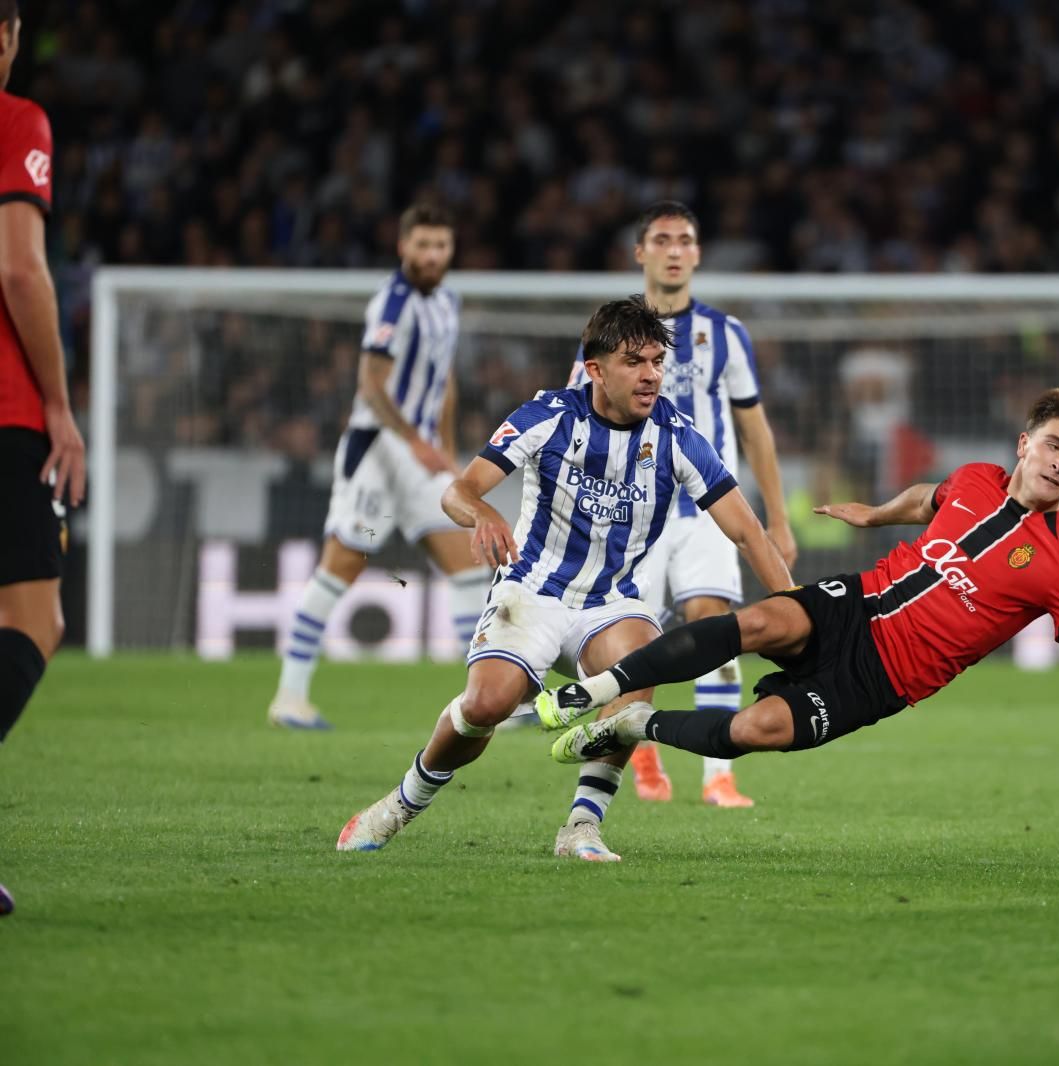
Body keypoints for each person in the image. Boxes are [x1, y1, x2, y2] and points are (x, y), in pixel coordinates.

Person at [336, 296, 793, 861]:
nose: (650, 375)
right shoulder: (550, 416)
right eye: (634, 362)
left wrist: (800, 613)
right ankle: (402, 803)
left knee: (642, 664)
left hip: (610, 604)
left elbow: (748, 533)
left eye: (656, 361)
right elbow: (459, 491)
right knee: (485, 707)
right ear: (595, 369)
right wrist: (483, 512)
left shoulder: (677, 436)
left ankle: (582, 826)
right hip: (531, 591)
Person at [536, 388, 1059, 792]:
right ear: (1026, 443)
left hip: (882, 680)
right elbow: (929, 497)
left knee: (754, 730)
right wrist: (875, 515)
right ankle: (593, 692)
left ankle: (633, 724)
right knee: (761, 622)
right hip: (860, 603)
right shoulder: (977, 478)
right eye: (1054, 445)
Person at [562, 201, 797, 808]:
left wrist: (777, 517)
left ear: (697, 253)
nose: (673, 249)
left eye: (685, 239)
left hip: (707, 512)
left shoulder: (725, 332)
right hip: (630, 511)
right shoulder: (607, 336)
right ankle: (637, 752)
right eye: (661, 239)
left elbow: (756, 431)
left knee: (714, 621)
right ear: (640, 253)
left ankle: (718, 774)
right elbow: (570, 427)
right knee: (631, 639)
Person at [267, 202, 491, 729]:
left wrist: (448, 447)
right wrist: (415, 440)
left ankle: (484, 700)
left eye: (441, 246)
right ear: (403, 246)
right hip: (378, 452)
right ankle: (289, 697)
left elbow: (445, 381)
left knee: (469, 566)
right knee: (341, 565)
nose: (432, 255)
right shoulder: (392, 304)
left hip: (421, 455)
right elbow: (371, 382)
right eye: (423, 245)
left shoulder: (448, 303)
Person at [0, 2, 85, 916]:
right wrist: (58, 405)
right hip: (6, 412)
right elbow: (20, 268)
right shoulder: (16, 119)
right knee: (32, 622)